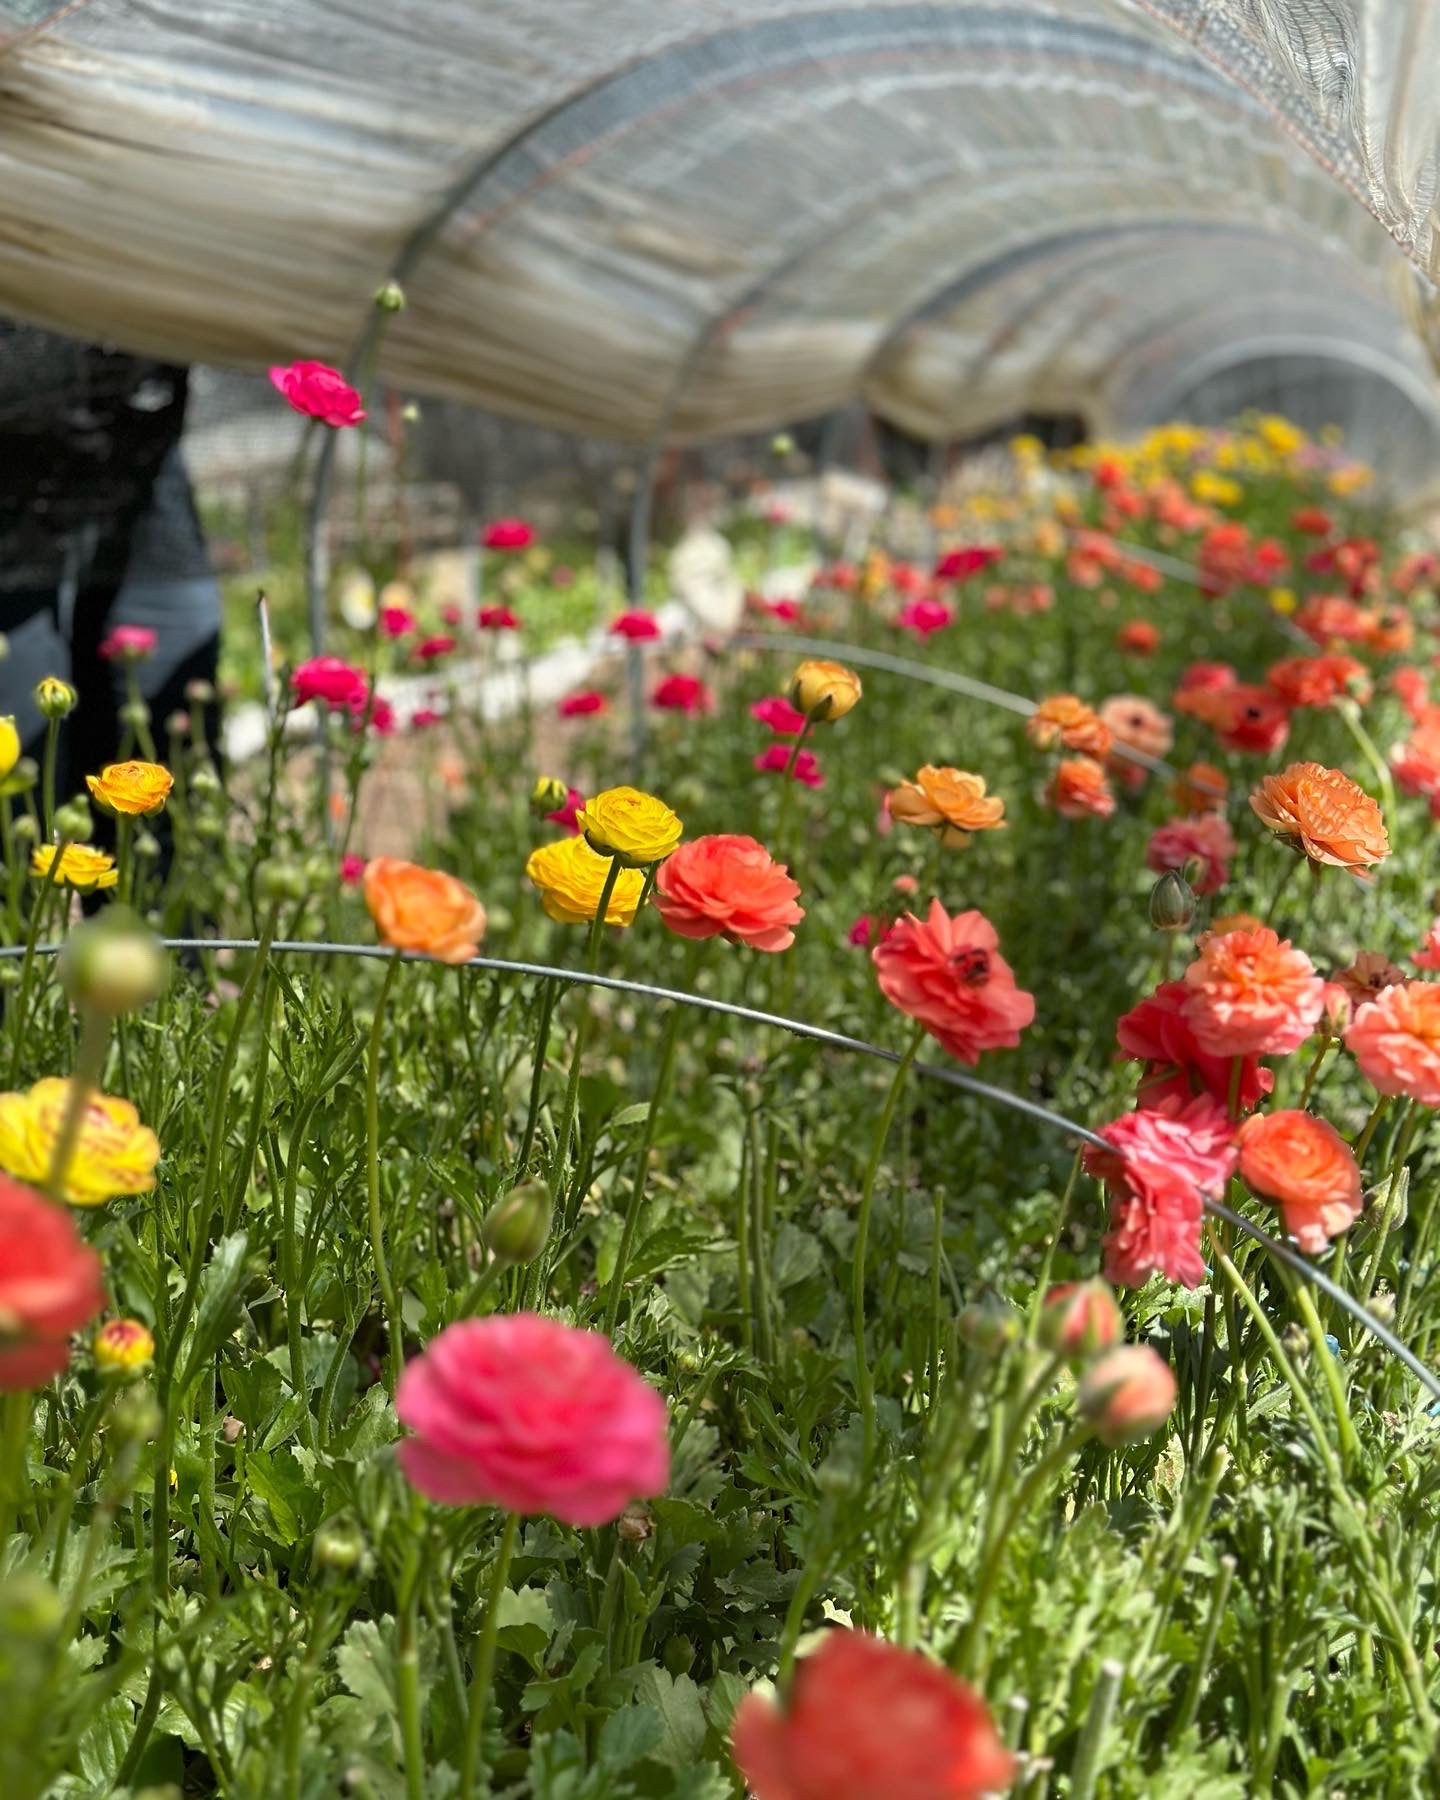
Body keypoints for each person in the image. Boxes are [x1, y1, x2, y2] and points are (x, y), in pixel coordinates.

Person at [0, 321, 221, 803]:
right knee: (22, 749)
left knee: (168, 728)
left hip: (138, 460)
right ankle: (38, 872)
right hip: (12, 493)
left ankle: (155, 875)